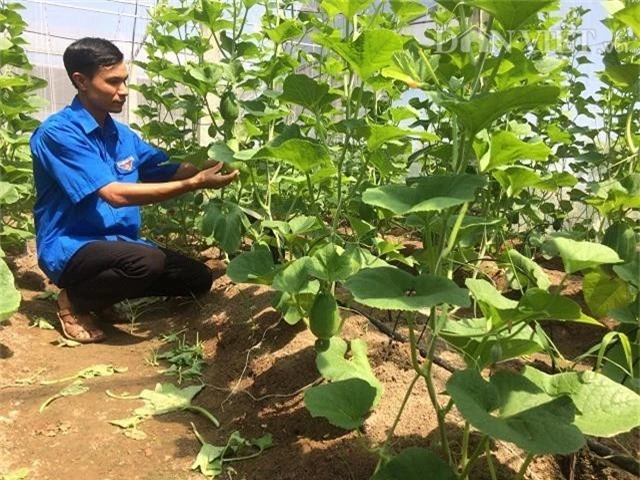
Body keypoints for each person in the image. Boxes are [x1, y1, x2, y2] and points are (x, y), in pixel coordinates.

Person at [30, 37, 238, 343]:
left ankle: (102, 297)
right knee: (146, 262)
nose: (124, 90)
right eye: (113, 82)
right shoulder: (58, 133)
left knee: (197, 278)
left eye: (124, 80)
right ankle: (75, 301)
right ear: (81, 81)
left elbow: (169, 169)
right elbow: (114, 195)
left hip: (121, 245)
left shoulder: (122, 136)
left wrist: (223, 156)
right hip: (73, 247)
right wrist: (194, 184)